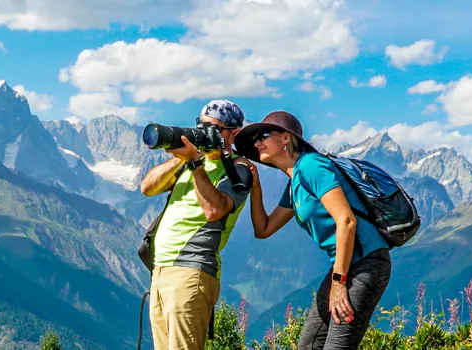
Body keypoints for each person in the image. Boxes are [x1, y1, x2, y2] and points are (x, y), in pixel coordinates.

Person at [232, 111, 392, 350]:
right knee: (309, 344)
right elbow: (263, 229)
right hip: (345, 267)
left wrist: (339, 283)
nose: (256, 142)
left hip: (365, 264)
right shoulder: (295, 182)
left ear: (286, 138)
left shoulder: (311, 165)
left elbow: (346, 221)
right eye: (254, 139)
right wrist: (256, 186)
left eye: (263, 134)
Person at [138, 100, 254, 350]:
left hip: (192, 271)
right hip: (160, 270)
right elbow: (147, 187)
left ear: (232, 134)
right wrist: (181, 159)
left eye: (212, 128)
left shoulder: (239, 169)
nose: (203, 132)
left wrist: (194, 163)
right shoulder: (188, 165)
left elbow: (214, 210)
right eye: (199, 125)